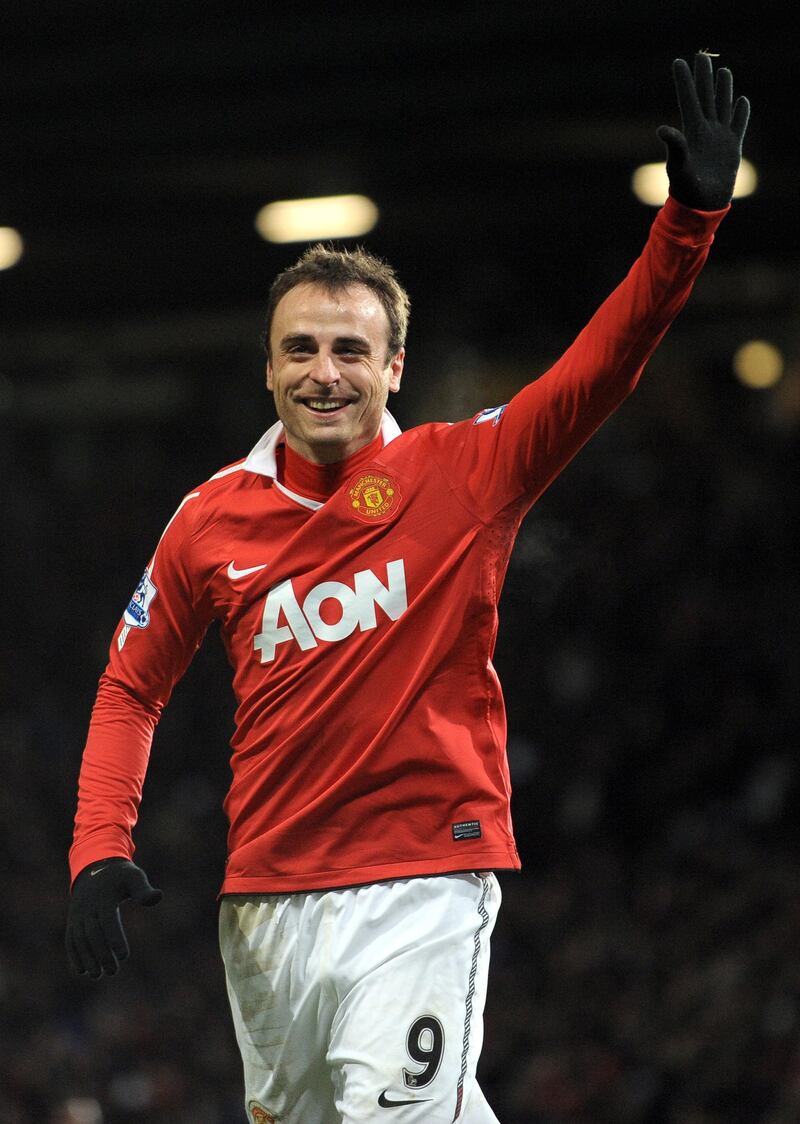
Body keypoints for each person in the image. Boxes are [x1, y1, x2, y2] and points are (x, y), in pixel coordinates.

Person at [66, 54, 749, 1124]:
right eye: (299, 348)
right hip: (263, 901)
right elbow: (129, 688)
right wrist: (99, 846)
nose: (322, 370)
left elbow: (600, 367)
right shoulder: (207, 519)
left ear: (393, 368)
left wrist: (686, 225)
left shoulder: (462, 470)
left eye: (350, 348)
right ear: (267, 367)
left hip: (419, 882)